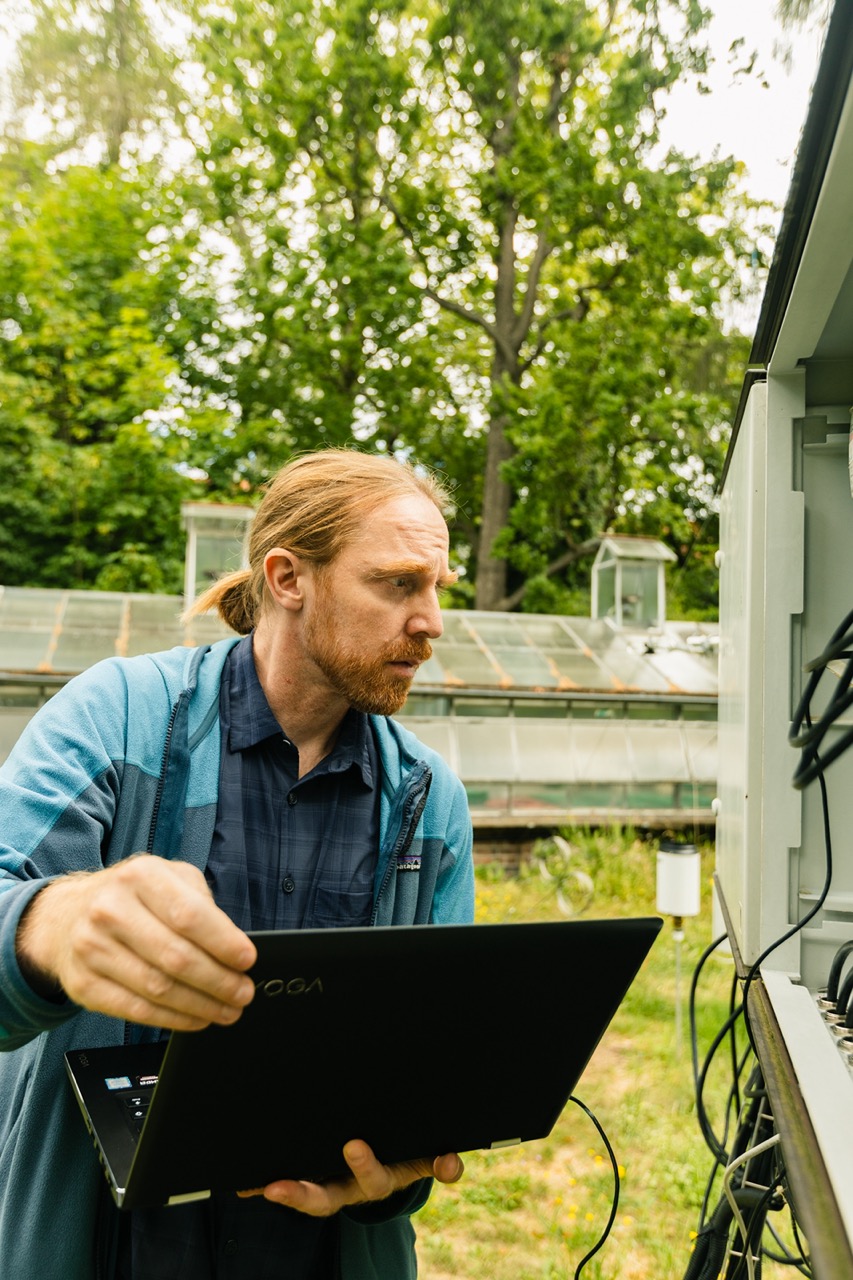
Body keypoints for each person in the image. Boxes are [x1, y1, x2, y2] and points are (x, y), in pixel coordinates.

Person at [0, 449, 475, 1280]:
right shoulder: (118, 718)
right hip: (107, 1246)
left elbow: (422, 1063)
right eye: (399, 584)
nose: (431, 620)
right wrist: (55, 922)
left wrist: (386, 1181)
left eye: (437, 588)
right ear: (287, 578)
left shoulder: (429, 802)